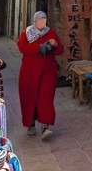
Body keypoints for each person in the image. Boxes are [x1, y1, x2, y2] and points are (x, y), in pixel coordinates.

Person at [18, 11, 64, 140]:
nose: (42, 22)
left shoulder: (50, 33)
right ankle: (30, 124)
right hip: (29, 71)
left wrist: (54, 45)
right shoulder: (26, 33)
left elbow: (60, 50)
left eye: (44, 19)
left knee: (46, 97)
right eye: (39, 19)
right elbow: (22, 47)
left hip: (47, 70)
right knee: (29, 97)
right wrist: (39, 48)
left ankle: (45, 126)